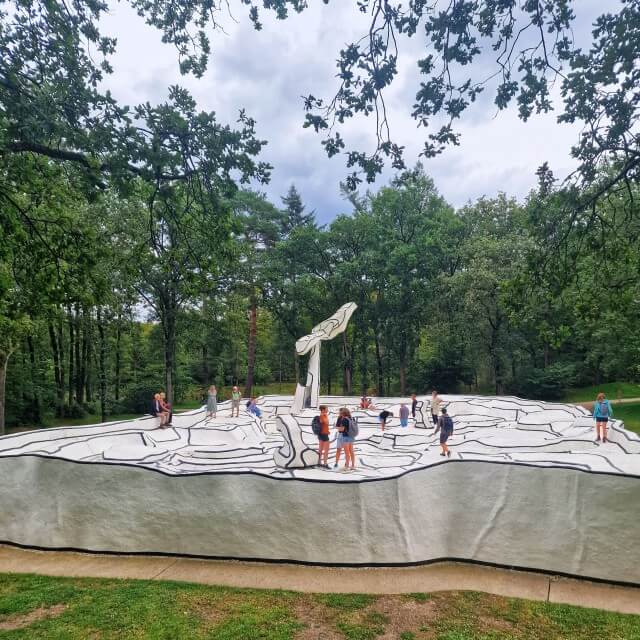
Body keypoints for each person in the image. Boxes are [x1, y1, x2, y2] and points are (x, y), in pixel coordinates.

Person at [337, 407, 356, 472]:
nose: (340, 414)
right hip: (351, 436)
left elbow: (342, 429)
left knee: (347, 452)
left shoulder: (344, 419)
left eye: (340, 413)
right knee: (351, 451)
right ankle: (353, 465)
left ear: (343, 413)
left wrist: (336, 427)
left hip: (346, 437)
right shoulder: (352, 418)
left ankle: (347, 466)